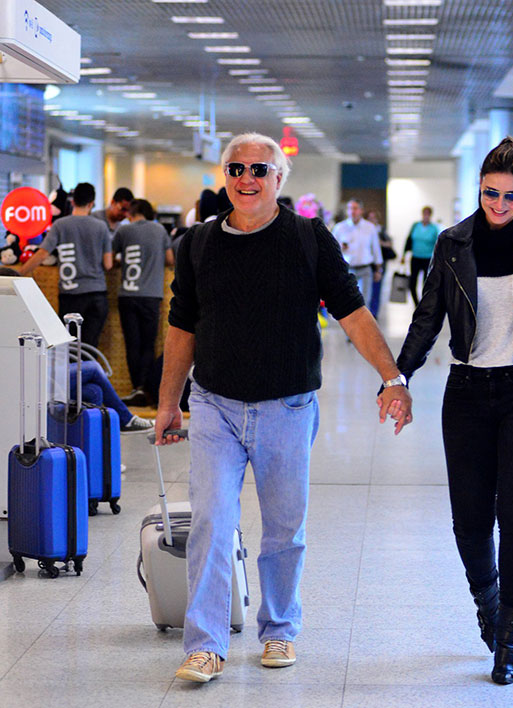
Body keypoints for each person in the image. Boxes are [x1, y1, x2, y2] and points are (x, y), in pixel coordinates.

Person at [155, 132, 412, 683]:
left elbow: (352, 311)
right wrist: (169, 402)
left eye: (259, 170)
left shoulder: (307, 238)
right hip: (215, 406)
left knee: (283, 529)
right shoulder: (197, 243)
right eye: (236, 168)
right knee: (211, 522)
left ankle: (279, 631)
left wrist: (392, 376)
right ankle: (206, 644)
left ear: (279, 180)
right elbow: (181, 326)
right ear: (224, 175)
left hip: (287, 407)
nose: (247, 179)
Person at [395, 137, 513, 685]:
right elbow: (428, 317)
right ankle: (488, 600)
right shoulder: (454, 242)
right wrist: (398, 377)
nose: (498, 206)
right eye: (489, 194)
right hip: (467, 394)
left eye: (508, 196)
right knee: (470, 522)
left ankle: (510, 635)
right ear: (477, 189)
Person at [20, 182, 113, 348]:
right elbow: (108, 264)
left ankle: (71, 375)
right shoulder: (101, 227)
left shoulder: (60, 225)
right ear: (91, 204)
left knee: (69, 349)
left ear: (72, 201)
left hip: (71, 296)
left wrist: (19, 274)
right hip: (97, 295)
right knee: (89, 348)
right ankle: (87, 373)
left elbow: (42, 254)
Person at [112, 199, 175, 407]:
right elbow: (169, 260)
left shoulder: (124, 231)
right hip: (151, 295)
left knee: (132, 344)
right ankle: (145, 391)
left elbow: (110, 260)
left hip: (127, 295)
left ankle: (135, 387)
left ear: (132, 212)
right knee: (148, 344)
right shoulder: (159, 231)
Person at [68, 359, 153, 432]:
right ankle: (125, 419)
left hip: (59, 369)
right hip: (55, 378)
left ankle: (93, 440)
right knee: (94, 367)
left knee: (95, 391)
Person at [331, 199, 383, 306]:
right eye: (349, 208)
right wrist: (339, 247)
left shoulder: (370, 227)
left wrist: (378, 270)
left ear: (361, 210)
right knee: (347, 303)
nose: (352, 211)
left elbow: (376, 249)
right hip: (347, 270)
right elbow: (331, 249)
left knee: (364, 303)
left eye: (355, 208)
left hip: (365, 269)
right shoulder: (339, 228)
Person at [402, 206, 440, 306]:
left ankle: (425, 303)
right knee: (412, 282)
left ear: (430, 215)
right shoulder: (415, 226)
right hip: (415, 258)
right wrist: (404, 255)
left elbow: (438, 244)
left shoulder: (434, 228)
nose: (426, 216)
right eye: (424, 213)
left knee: (426, 283)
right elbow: (408, 240)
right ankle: (416, 303)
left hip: (428, 259)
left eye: (428, 214)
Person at [366, 209, 396, 318]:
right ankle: (367, 311)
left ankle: (374, 312)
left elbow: (390, 243)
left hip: (380, 263)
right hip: (368, 263)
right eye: (369, 218)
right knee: (366, 288)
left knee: (376, 288)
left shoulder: (381, 230)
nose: (371, 220)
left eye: (373, 217)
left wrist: (381, 243)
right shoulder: (365, 230)